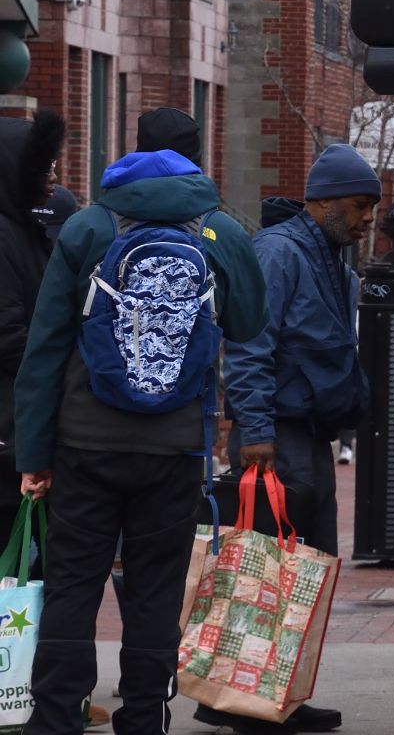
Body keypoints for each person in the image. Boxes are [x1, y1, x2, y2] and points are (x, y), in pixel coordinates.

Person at [13, 130, 265, 735]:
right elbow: (250, 322)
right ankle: (145, 719)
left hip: (85, 442)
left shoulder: (87, 229)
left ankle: (55, 720)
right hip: (174, 446)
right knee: (155, 591)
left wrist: (34, 453)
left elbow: (44, 348)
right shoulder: (220, 231)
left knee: (74, 585)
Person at [212, 145, 379, 735]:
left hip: (302, 433)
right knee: (271, 568)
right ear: (326, 200)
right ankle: (252, 703)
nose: (367, 220)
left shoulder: (328, 255)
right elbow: (251, 344)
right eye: (360, 206)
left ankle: (266, 695)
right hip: (277, 435)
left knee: (295, 565)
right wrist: (254, 430)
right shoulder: (280, 251)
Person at [0, 111, 65, 535]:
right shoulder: (4, 236)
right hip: (7, 432)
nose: (55, 176)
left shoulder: (25, 229)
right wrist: (65, 364)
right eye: (44, 166)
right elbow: (7, 335)